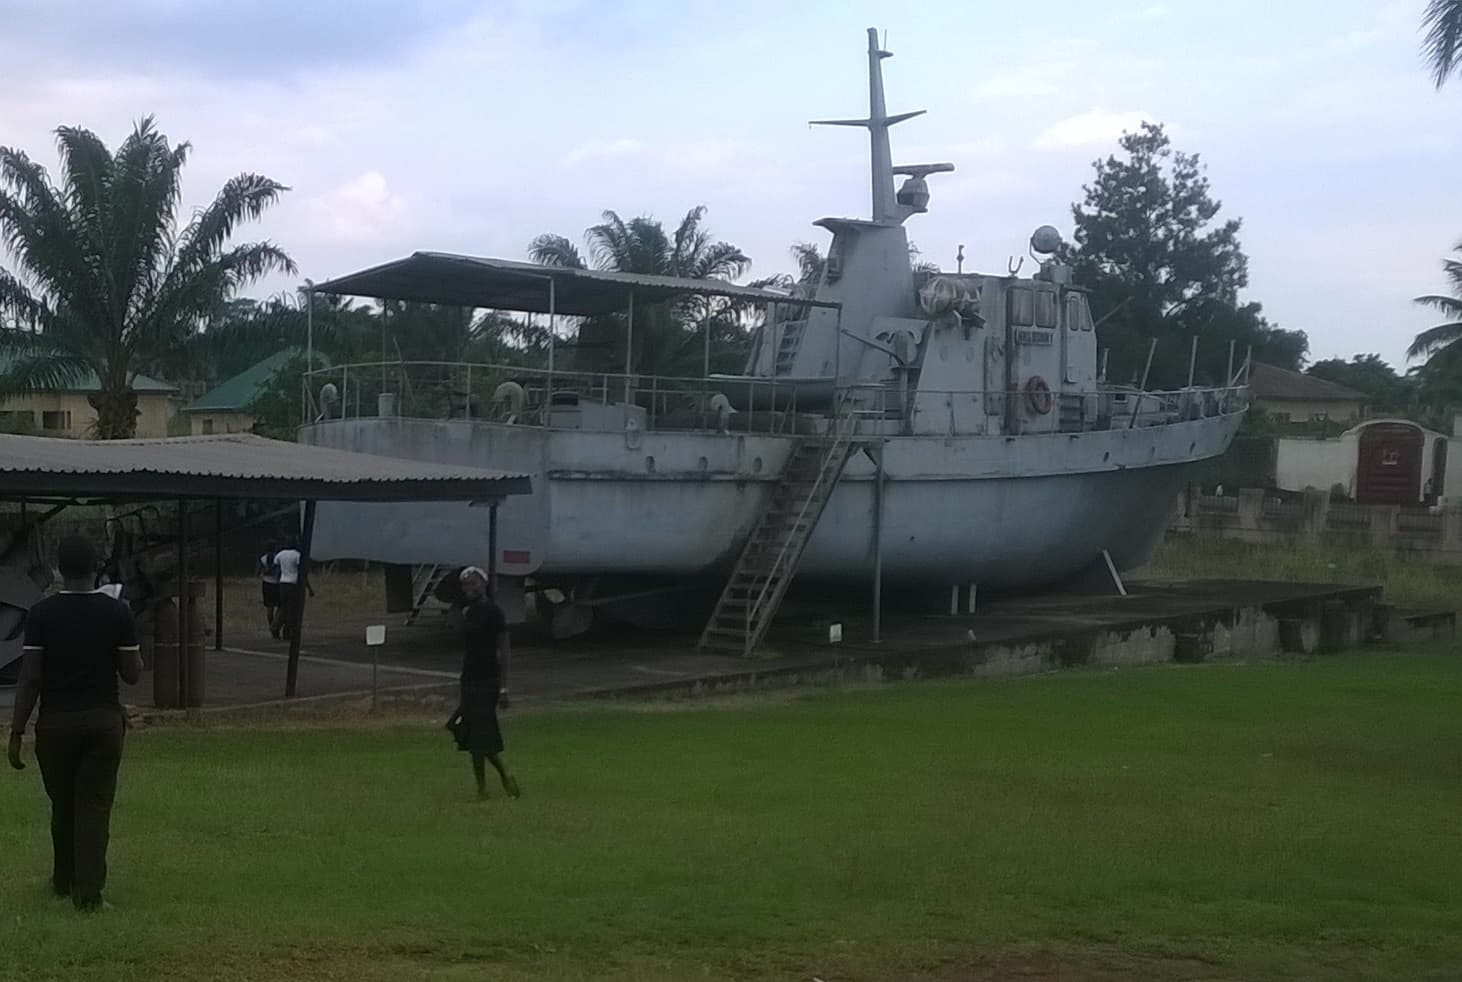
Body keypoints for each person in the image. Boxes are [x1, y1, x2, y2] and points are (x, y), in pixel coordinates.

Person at [7, 535, 143, 912]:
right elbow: (132, 674)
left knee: (63, 805)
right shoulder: (117, 613)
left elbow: (30, 677)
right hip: (103, 725)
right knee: (94, 807)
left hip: (55, 727)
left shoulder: (41, 614)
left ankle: (63, 879)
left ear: (58, 569)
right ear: (97, 567)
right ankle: (89, 894)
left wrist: (17, 730)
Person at [446, 566, 520, 800]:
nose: (469, 588)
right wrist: (455, 608)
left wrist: (504, 687)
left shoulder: (494, 612)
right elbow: (457, 632)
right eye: (465, 585)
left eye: (473, 583)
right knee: (468, 732)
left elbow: (504, 651)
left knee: (481, 734)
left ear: (484, 584)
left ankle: (493, 782)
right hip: (469, 678)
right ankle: (492, 782)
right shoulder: (468, 612)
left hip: (488, 679)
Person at [271, 539, 301, 641]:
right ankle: (287, 631)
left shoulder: (281, 554)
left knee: (283, 607)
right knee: (292, 609)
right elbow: (301, 571)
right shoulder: (297, 555)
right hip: (293, 583)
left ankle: (275, 627)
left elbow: (276, 567)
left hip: (283, 582)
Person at [257, 544, 281, 639]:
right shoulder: (278, 557)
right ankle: (275, 626)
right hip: (276, 583)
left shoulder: (263, 558)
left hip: (266, 583)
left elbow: (258, 572)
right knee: (280, 606)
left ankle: (271, 626)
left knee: (269, 608)